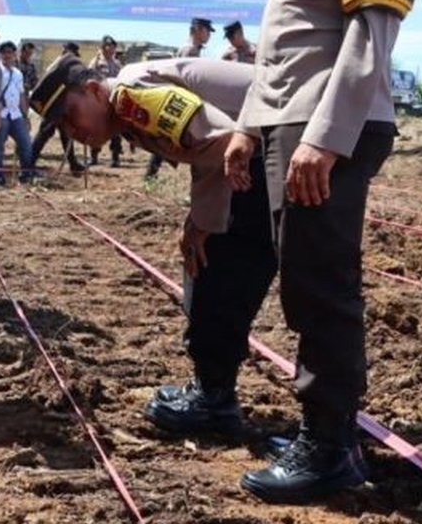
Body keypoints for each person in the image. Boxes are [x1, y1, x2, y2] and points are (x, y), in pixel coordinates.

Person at [222, 0, 422, 503]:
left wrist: (325, 138)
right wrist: (251, 127)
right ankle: (324, 431)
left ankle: (331, 446)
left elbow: (370, 37)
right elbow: (284, 47)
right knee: (301, 275)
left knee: (320, 283)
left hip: (328, 128)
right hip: (290, 121)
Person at [31, 55, 279, 443]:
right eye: (60, 125)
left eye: (70, 114)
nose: (70, 131)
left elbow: (225, 142)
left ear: (96, 90)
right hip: (262, 149)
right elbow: (207, 150)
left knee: (219, 267)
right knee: (212, 264)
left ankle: (214, 400)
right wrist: (199, 221)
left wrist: (203, 223)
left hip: (270, 146)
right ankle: (212, 390)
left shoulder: (131, 95)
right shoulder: (125, 110)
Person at [149, 18, 215, 179]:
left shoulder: (192, 49)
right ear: (198, 30)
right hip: (185, 100)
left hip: (183, 99)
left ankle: (151, 173)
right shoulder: (190, 51)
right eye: (207, 31)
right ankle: (152, 172)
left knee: (170, 137)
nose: (209, 35)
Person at [30, 41, 85, 174]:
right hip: (54, 105)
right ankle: (29, 162)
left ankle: (73, 163)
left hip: (63, 105)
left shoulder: (63, 63)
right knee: (44, 133)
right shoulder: (61, 64)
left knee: (66, 135)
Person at [0, 41, 32, 185]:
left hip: (15, 113)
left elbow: (21, 96)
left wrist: (25, 116)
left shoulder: (18, 73)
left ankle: (26, 174)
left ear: (14, 55)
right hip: (1, 113)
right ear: (0, 54)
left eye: (10, 52)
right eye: (5, 52)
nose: (7, 55)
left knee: (25, 143)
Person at [87, 35, 125, 166]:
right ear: (103, 47)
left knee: (115, 129)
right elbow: (89, 79)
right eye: (108, 46)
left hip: (113, 99)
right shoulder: (95, 63)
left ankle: (115, 157)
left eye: (113, 46)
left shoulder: (117, 64)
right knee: (96, 129)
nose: (111, 49)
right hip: (99, 100)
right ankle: (94, 157)